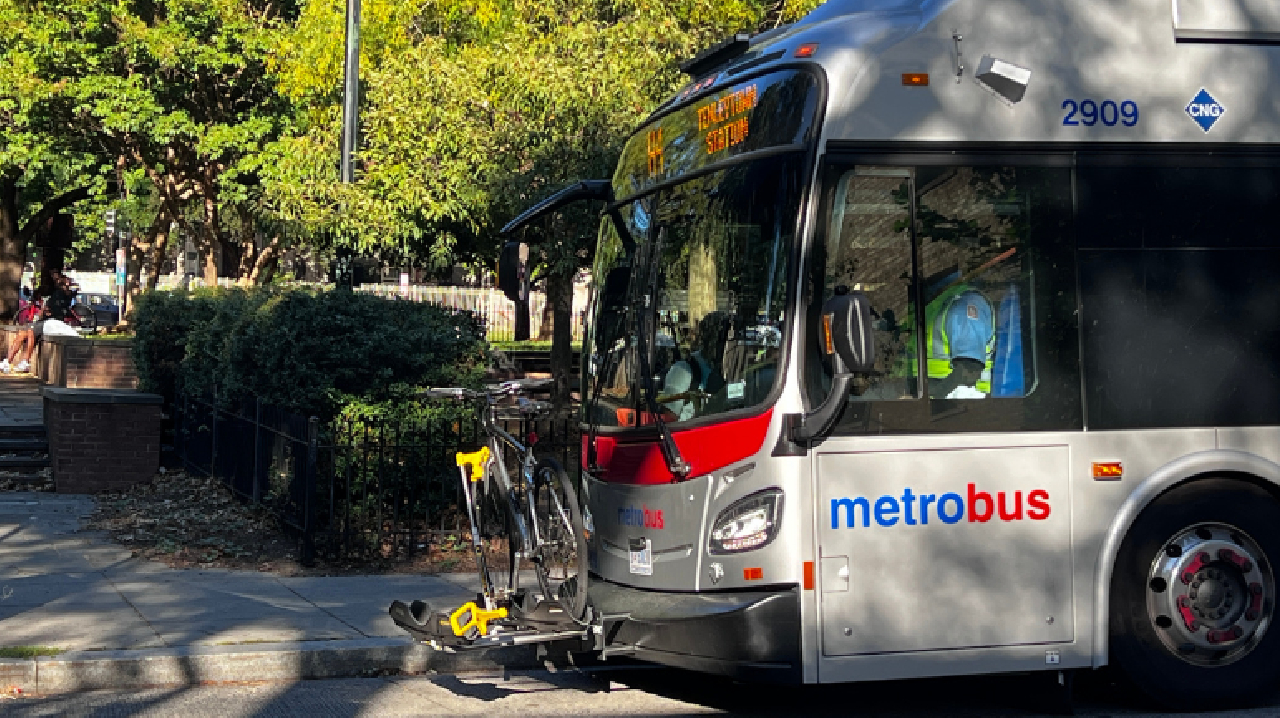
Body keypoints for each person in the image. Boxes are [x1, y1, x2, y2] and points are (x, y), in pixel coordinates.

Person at [926, 287, 995, 399]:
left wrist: (937, 396)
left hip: (964, 398)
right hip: (945, 396)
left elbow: (969, 369)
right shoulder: (940, 303)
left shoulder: (963, 309)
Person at [660, 312, 729, 420]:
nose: (724, 345)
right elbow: (668, 420)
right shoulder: (684, 370)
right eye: (721, 339)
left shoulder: (731, 370)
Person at [2, 298, 47, 374]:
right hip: (39, 323)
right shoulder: (42, 301)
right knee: (21, 333)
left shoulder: (51, 300)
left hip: (47, 324)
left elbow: (42, 315)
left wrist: (42, 310)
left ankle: (25, 362)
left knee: (30, 331)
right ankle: (7, 362)